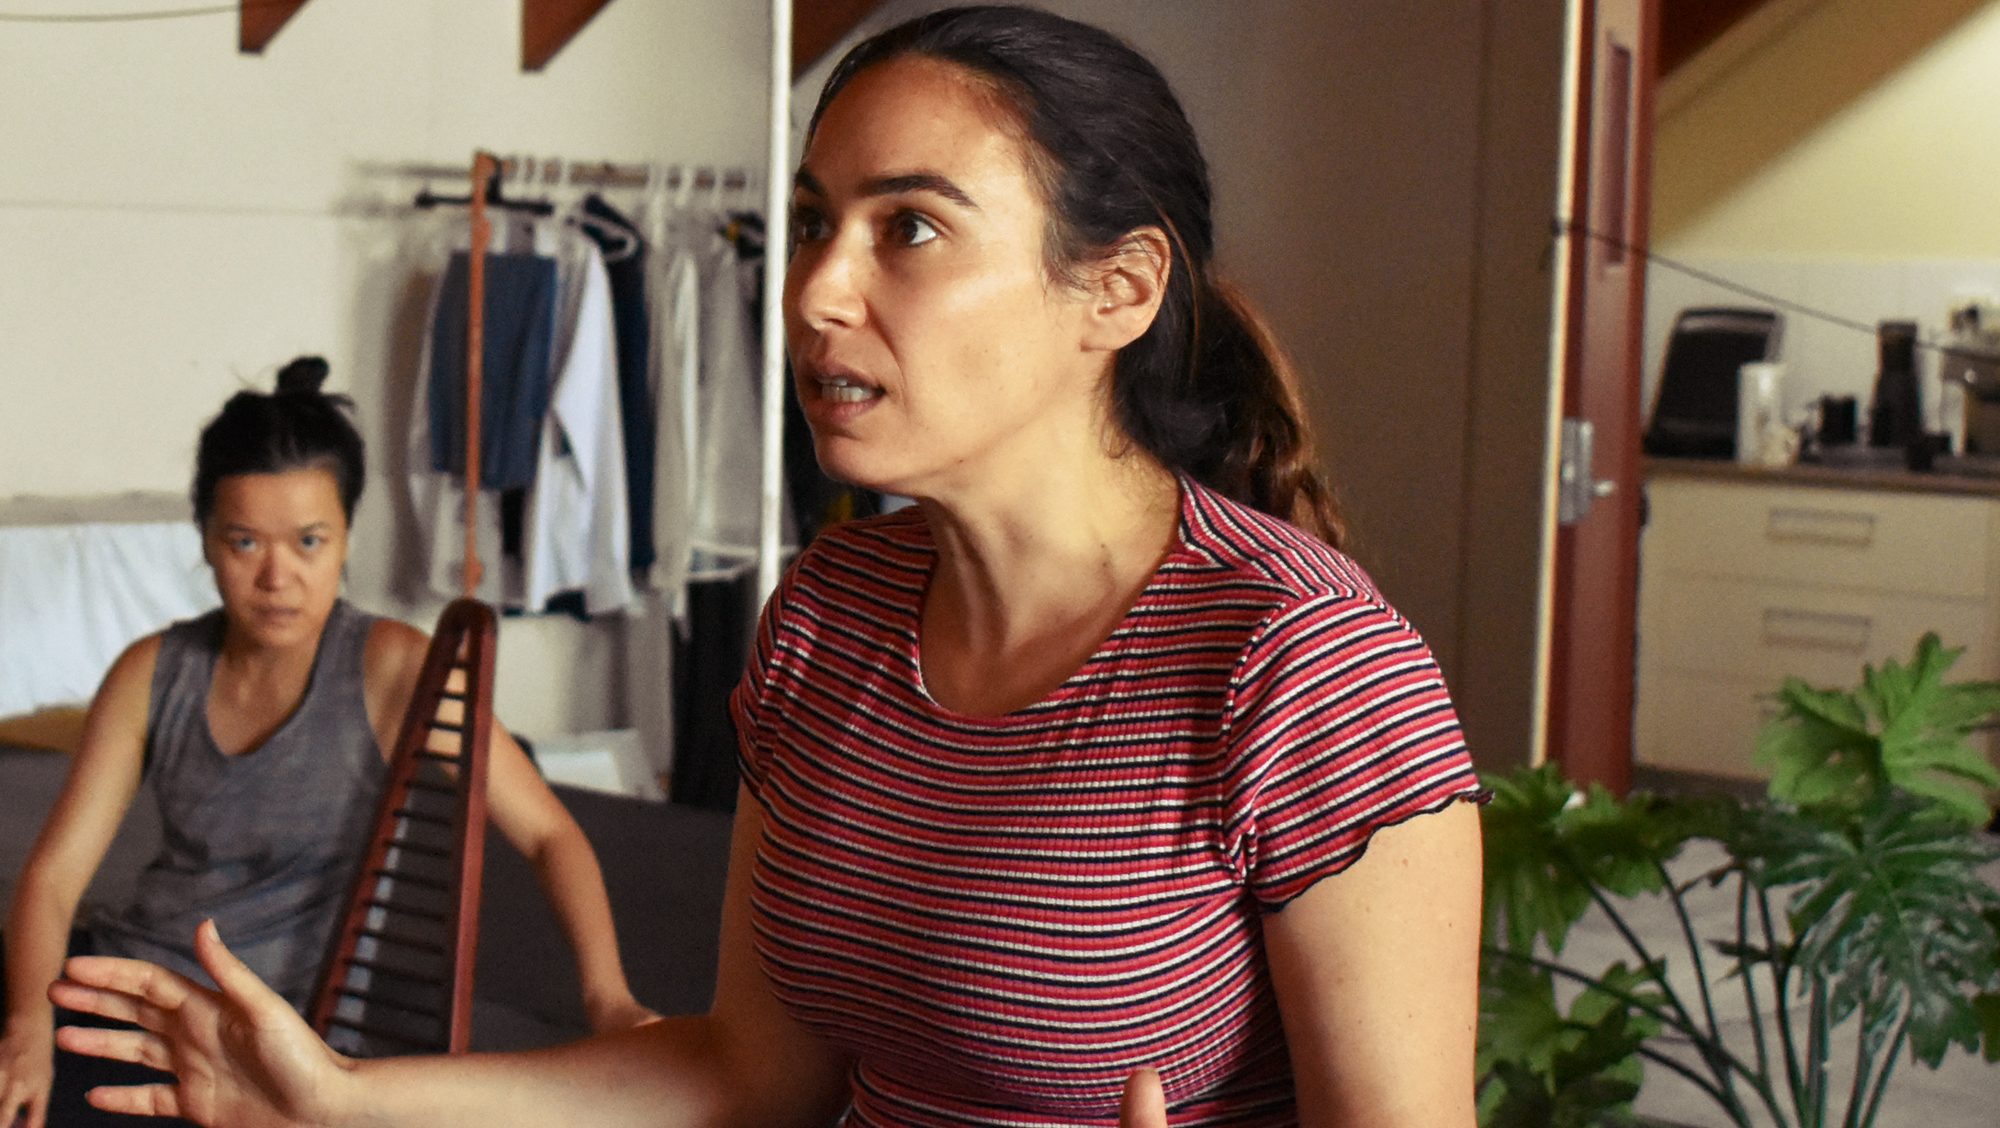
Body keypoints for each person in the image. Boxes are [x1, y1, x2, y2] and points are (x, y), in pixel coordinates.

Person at [48, 8, 1485, 1125]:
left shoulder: (1302, 666)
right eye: (812, 223)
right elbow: (749, 1073)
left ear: (1115, 291)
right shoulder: (830, 613)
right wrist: (342, 1100)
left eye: (908, 228)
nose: (813, 292)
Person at [0, 358, 653, 1128]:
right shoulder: (153, 672)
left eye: (309, 541)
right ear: (206, 540)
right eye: (245, 542)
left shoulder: (395, 668)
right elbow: (53, 877)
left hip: (263, 1036)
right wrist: (27, 1027)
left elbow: (549, 835)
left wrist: (609, 1000)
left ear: (345, 539)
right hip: (126, 983)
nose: (278, 576)